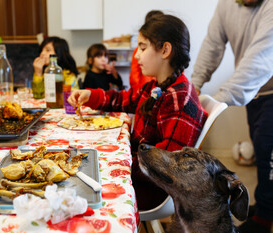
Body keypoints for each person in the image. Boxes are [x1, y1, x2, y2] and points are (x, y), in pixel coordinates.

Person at [69, 14, 208, 210]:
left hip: (153, 188)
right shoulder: (158, 87)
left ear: (165, 50)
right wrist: (89, 95)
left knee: (79, 182)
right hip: (139, 170)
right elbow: (123, 99)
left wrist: (116, 163)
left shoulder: (178, 98)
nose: (136, 55)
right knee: (83, 163)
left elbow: (165, 164)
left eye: (142, 48)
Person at [191, 0, 273, 233]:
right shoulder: (225, 5)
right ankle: (266, 203)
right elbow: (212, 45)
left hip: (270, 89)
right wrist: (194, 86)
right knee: (260, 148)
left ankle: (265, 217)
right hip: (255, 94)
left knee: (268, 150)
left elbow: (260, 58)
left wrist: (218, 101)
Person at [129, 10, 163, 90]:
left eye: (143, 49)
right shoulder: (137, 51)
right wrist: (139, 91)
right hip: (144, 90)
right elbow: (134, 76)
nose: (137, 55)